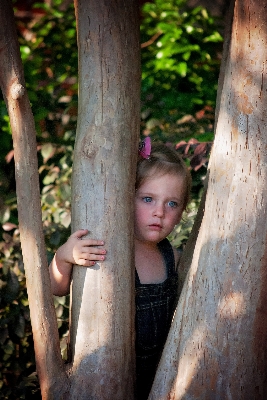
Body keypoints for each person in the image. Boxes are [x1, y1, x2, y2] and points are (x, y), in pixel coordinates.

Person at [49, 139, 191, 399]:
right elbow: (55, 289)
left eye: (172, 204)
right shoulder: (108, 248)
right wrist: (64, 257)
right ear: (126, 198)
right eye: (148, 199)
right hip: (111, 375)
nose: (159, 212)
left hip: (162, 375)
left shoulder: (172, 256)